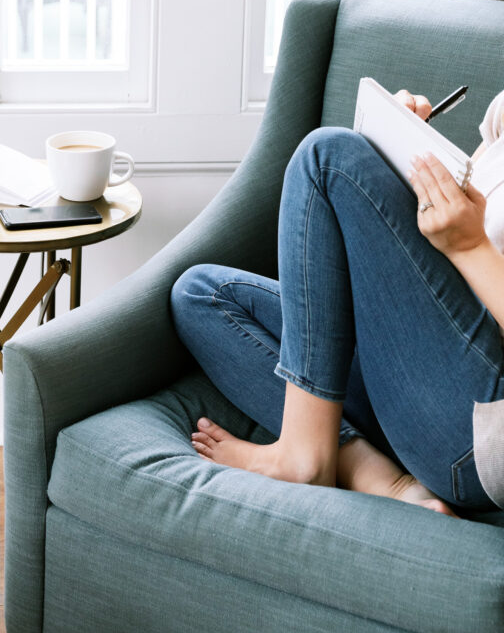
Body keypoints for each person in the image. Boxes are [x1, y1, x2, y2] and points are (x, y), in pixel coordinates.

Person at [170, 89, 504, 516]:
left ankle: (304, 456)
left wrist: (470, 246)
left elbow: (471, 241)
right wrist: (404, 162)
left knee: (327, 158)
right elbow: (467, 215)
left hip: (480, 427)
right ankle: (383, 481)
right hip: (429, 372)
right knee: (202, 294)